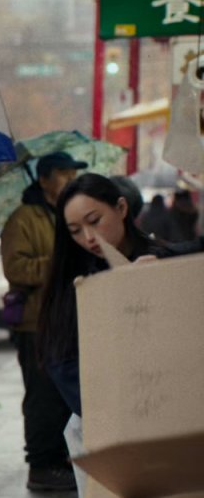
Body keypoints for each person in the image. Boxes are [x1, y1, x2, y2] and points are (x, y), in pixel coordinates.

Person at [38, 173, 203, 495]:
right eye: (75, 230)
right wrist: (118, 410)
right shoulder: (74, 284)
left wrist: (166, 268)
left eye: (95, 220)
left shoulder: (162, 257)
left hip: (179, 420)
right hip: (110, 429)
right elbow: (62, 361)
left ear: (122, 208)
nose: (88, 237)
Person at [0, 151, 82, 492]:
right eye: (64, 174)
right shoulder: (23, 219)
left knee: (65, 394)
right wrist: (58, 263)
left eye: (73, 174)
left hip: (65, 319)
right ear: (45, 178)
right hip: (35, 323)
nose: (70, 180)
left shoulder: (64, 215)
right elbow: (16, 268)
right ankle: (40, 464)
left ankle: (61, 457)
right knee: (42, 396)